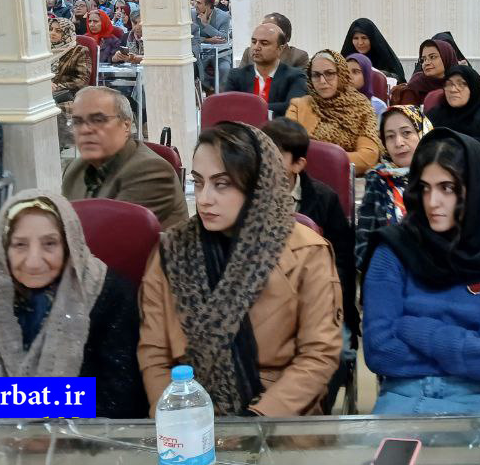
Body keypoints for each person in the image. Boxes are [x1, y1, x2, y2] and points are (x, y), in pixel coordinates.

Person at [138, 122, 342, 416]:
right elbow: (155, 353)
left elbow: (318, 355)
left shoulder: (307, 253)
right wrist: (175, 416)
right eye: (198, 182)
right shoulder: (172, 250)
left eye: (222, 184)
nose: (204, 199)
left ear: (258, 185)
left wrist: (255, 421)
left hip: (279, 416)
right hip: (187, 410)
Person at [361, 128, 480, 414]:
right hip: (405, 395)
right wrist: (469, 353)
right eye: (425, 188)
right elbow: (379, 352)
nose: (432, 202)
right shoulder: (393, 249)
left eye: (447, 188)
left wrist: (412, 327)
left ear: (475, 190)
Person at [0, 191, 148, 418]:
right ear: (2, 248)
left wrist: (5, 401)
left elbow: (122, 399)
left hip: (83, 435)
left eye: (50, 244)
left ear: (69, 244)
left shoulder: (108, 293)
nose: (33, 262)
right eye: (19, 245)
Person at [261, 118, 358, 414]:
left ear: (298, 164)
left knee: (333, 357)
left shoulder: (324, 200)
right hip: (266, 306)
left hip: (320, 303)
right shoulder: (245, 199)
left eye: (274, 156)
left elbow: (343, 264)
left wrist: (318, 303)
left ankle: (314, 418)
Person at [61, 87, 189, 229]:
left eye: (98, 120)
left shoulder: (150, 170)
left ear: (126, 125)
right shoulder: (74, 170)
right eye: (77, 122)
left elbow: (107, 235)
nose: (85, 130)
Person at [355, 106, 433, 265]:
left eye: (406, 133)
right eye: (390, 136)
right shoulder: (378, 179)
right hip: (391, 268)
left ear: (423, 133)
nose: (398, 143)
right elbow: (364, 242)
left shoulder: (442, 175)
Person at [286, 50, 382, 173]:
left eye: (329, 73)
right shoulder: (299, 106)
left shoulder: (362, 108)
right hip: (305, 177)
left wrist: (322, 159)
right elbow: (289, 148)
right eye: (316, 75)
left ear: (341, 74)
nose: (322, 81)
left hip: (347, 178)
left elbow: (368, 157)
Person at [426, 64, 480, 170]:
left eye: (461, 84)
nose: (453, 89)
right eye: (449, 84)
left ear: (473, 87)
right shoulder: (435, 115)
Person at [224, 23, 307, 117]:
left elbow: (292, 107)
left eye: (264, 43)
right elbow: (227, 106)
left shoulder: (295, 77)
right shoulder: (236, 75)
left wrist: (248, 108)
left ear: (280, 49)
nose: (256, 47)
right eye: (254, 42)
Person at [49, 18, 92, 149]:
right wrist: (44, 83)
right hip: (44, 93)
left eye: (58, 30)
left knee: (51, 109)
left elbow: (82, 81)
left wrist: (57, 86)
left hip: (69, 96)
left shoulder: (79, 51)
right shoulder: (42, 52)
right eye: (50, 29)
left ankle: (55, 147)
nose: (52, 33)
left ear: (67, 33)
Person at [392, 39, 453, 106]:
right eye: (423, 59)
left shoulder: (458, 84)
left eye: (432, 57)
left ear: (447, 57)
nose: (426, 63)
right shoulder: (415, 86)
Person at [341, 18, 403, 84]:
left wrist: (380, 75)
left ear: (372, 39)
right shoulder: (346, 59)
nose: (360, 43)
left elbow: (400, 80)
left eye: (364, 38)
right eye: (356, 38)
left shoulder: (384, 57)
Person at [191, 0, 231, 90]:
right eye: (196, 2)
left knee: (225, 68)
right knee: (194, 69)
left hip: (220, 54)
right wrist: (208, 40)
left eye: (199, 3)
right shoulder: (192, 14)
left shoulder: (223, 16)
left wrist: (205, 25)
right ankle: (208, 89)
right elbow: (191, 37)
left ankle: (220, 95)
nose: (195, 5)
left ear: (208, 5)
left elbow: (223, 38)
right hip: (200, 54)